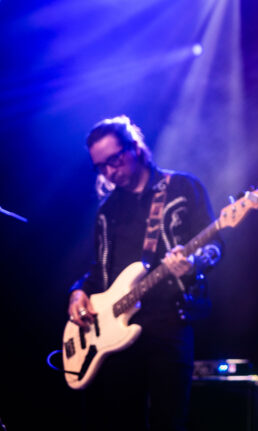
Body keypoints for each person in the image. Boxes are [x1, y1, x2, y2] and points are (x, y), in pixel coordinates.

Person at [68, 115, 221, 431]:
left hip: (170, 325)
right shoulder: (107, 212)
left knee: (169, 422)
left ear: (135, 147)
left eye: (115, 159)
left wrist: (194, 263)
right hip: (115, 334)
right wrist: (79, 289)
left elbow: (215, 245)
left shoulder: (182, 188)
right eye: (101, 166)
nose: (111, 172)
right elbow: (99, 270)